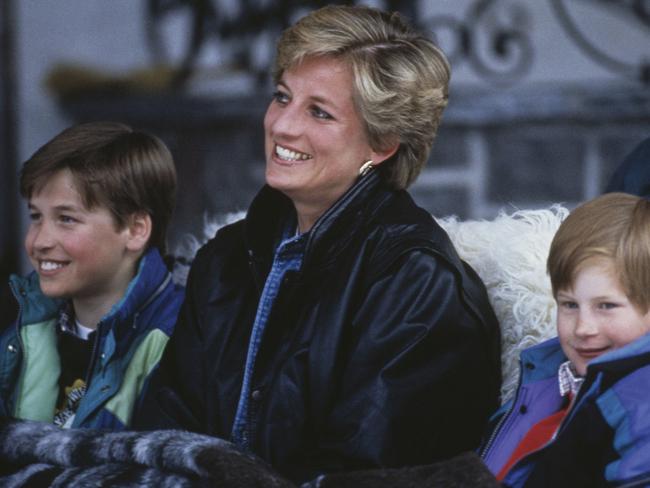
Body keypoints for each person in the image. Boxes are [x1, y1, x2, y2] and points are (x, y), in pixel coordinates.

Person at [136, 5, 501, 483]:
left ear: (382, 143)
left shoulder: (417, 283)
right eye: (282, 97)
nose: (283, 126)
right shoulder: (225, 257)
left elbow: (362, 469)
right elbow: (164, 432)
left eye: (319, 112)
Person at [0, 121, 184, 430]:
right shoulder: (28, 325)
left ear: (135, 230)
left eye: (66, 219)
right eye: (36, 217)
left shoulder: (176, 337)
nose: (39, 241)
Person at [481, 192, 650, 486]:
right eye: (569, 305)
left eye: (606, 306)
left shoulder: (640, 400)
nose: (583, 328)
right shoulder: (546, 376)